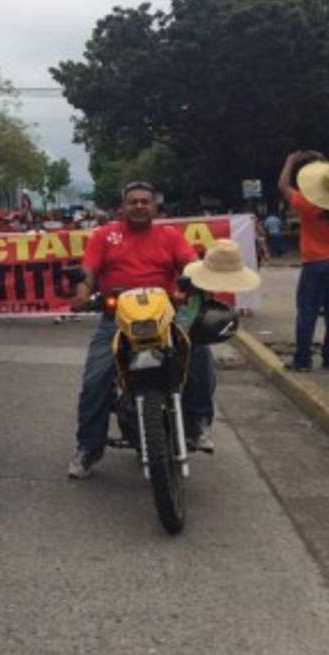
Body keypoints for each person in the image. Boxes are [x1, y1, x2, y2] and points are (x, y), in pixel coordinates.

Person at [67, 181, 216, 479]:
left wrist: (195, 280)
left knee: (197, 352)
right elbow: (89, 271)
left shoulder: (170, 236)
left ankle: (198, 423)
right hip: (117, 320)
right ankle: (88, 448)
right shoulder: (103, 236)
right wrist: (82, 292)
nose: (138, 206)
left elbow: (190, 264)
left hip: (164, 316)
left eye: (144, 202)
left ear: (154, 207)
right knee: (96, 379)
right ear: (121, 208)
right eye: (132, 202)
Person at [277, 150, 329, 372]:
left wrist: (290, 161)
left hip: (315, 263)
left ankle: (303, 359)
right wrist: (326, 163)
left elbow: (284, 187)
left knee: (307, 311)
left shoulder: (308, 204)